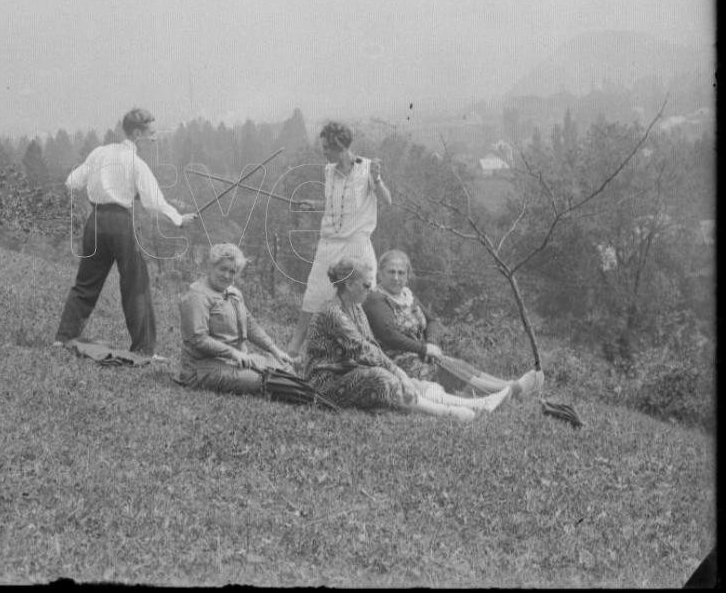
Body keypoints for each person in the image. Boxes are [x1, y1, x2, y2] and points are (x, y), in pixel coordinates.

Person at [54, 107, 197, 358]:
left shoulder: (99, 153)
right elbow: (154, 202)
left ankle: (63, 338)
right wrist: (178, 220)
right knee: (136, 285)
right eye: (151, 133)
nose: (154, 138)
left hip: (95, 222)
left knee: (86, 283)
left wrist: (104, 188)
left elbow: (72, 181)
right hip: (121, 224)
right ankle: (143, 350)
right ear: (138, 134)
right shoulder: (136, 163)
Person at [302, 256, 513, 420]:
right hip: (325, 383)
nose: (370, 289)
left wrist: (400, 374)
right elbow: (364, 350)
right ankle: (445, 412)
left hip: (349, 371)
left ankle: (475, 405)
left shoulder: (355, 308)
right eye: (366, 285)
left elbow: (371, 344)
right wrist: (398, 372)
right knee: (380, 376)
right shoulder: (333, 313)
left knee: (405, 379)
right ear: (349, 285)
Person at [363, 249, 542, 397]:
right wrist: (424, 349)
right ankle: (509, 391)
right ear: (380, 273)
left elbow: (432, 320)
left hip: (419, 354)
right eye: (391, 272)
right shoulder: (376, 298)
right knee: (446, 370)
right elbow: (389, 336)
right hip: (396, 361)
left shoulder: (407, 296)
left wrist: (431, 342)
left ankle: (508, 385)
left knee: (458, 364)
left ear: (407, 276)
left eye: (401, 273)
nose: (396, 277)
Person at [287, 121, 393, 358]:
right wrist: (315, 205)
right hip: (329, 244)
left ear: (338, 145)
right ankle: (294, 349)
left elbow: (387, 200)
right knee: (314, 295)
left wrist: (376, 179)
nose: (323, 151)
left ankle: (371, 349)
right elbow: (336, 204)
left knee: (363, 296)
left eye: (326, 147)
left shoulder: (367, 168)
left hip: (356, 246)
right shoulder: (328, 171)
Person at [178, 243, 295, 395]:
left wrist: (275, 350)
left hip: (237, 361)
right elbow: (198, 339)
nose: (227, 275)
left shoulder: (234, 293)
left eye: (232, 271)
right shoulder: (197, 296)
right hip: (202, 367)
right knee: (262, 380)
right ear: (211, 267)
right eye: (223, 269)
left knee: (285, 368)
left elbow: (250, 325)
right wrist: (233, 353)